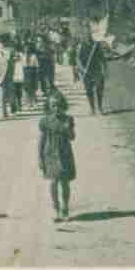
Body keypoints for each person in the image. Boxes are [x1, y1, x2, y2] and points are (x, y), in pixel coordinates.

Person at [38, 90, 76, 222]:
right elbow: (41, 141)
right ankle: (56, 208)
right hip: (50, 154)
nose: (56, 108)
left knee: (64, 182)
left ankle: (65, 206)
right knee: (53, 182)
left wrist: (68, 129)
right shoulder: (45, 121)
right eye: (53, 105)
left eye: (59, 105)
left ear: (63, 106)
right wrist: (40, 158)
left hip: (64, 153)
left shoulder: (68, 119)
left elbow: (72, 137)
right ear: (48, 106)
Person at [77, 32, 108, 114]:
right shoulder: (81, 46)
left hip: (96, 70)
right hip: (86, 71)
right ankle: (92, 108)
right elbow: (78, 59)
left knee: (99, 88)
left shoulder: (96, 45)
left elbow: (102, 58)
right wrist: (82, 69)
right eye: (86, 36)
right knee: (89, 90)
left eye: (89, 36)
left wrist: (104, 69)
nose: (88, 38)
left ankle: (100, 108)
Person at [22, 41, 40, 109]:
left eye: (28, 48)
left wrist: (37, 75)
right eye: (25, 48)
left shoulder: (34, 56)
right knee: (26, 89)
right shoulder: (22, 56)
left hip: (32, 72)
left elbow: (37, 66)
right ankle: (28, 103)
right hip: (25, 72)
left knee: (33, 89)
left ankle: (34, 102)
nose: (26, 50)